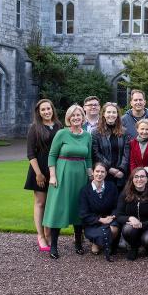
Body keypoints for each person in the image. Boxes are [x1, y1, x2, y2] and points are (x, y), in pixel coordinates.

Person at [44, 104, 93, 259]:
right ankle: (54, 246)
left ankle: (78, 243)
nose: (76, 118)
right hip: (62, 174)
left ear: (83, 117)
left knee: (78, 207)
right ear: (68, 118)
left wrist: (91, 175)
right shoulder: (62, 133)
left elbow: (88, 158)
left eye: (79, 115)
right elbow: (52, 155)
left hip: (81, 175)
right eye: (73, 115)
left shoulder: (87, 136)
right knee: (59, 208)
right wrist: (52, 176)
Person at [24, 99, 63, 252]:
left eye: (48, 109)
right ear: (39, 112)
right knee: (40, 203)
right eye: (43, 110)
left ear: (53, 109)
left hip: (56, 170)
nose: (46, 112)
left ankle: (48, 233)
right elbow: (30, 153)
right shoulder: (34, 128)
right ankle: (40, 236)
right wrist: (38, 174)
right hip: (39, 169)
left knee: (52, 203)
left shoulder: (59, 126)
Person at [79, 162, 119, 262]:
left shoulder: (112, 187)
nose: (99, 174)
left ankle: (104, 243)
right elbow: (83, 214)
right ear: (92, 172)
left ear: (106, 174)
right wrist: (100, 220)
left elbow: (117, 206)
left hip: (109, 220)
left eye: (102, 172)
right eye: (97, 171)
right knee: (96, 249)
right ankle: (97, 242)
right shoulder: (85, 191)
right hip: (93, 223)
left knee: (114, 229)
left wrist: (112, 217)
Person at [116, 167, 148, 261]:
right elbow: (118, 215)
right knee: (127, 229)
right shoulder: (125, 194)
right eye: (136, 177)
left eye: (142, 176)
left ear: (147, 179)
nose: (139, 179)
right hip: (132, 227)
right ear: (132, 179)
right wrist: (130, 218)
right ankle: (133, 247)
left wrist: (142, 224)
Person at [91, 102, 130, 190]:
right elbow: (96, 153)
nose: (111, 115)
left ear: (117, 115)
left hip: (120, 174)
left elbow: (126, 153)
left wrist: (121, 169)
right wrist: (109, 168)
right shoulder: (96, 132)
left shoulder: (124, 132)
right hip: (103, 173)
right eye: (108, 112)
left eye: (114, 112)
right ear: (103, 114)